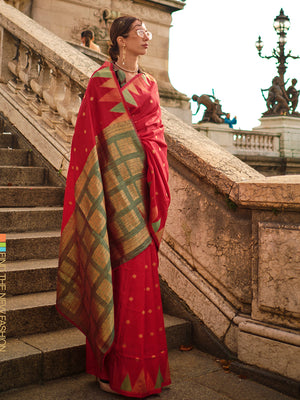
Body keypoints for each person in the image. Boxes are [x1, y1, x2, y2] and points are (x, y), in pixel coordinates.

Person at [56, 15, 171, 398]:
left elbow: (156, 134)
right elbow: (86, 141)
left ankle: (142, 372)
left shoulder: (152, 84)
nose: (147, 36)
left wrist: (144, 157)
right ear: (120, 39)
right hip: (106, 191)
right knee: (111, 269)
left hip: (141, 189)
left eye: (148, 31)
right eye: (140, 31)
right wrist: (103, 184)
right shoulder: (100, 82)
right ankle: (110, 368)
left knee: (140, 272)